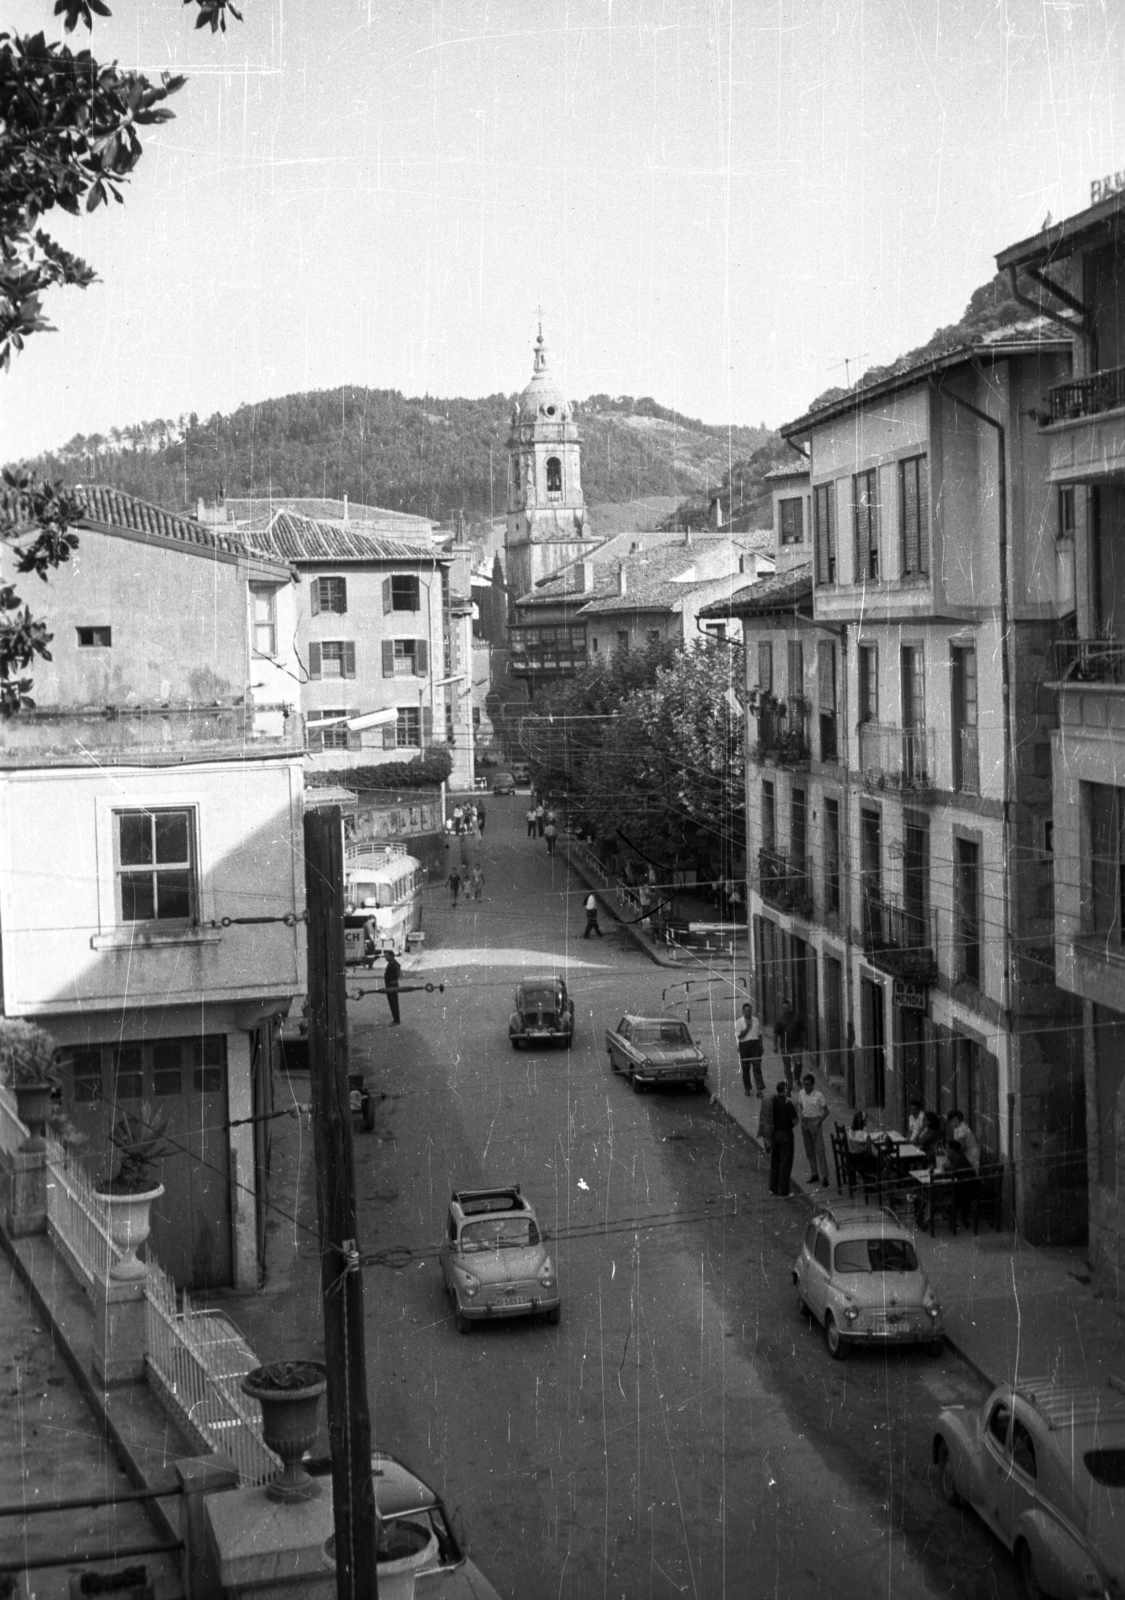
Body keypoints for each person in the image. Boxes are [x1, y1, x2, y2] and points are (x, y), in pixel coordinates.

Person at [797, 1072, 830, 1187]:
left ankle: (825, 1176)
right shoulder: (801, 1093)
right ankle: (814, 1173)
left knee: (819, 1150)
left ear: (813, 1085)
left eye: (808, 1085)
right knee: (809, 1150)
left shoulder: (819, 1095)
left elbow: (826, 1111)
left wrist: (819, 1121)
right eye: (804, 1084)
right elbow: (799, 1105)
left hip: (815, 1122)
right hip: (805, 1123)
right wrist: (800, 1114)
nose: (805, 1087)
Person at [768, 1082, 798, 1197]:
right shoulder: (788, 1104)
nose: (790, 1091)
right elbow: (795, 1121)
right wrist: (797, 1111)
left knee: (775, 1161)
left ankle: (773, 1187)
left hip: (774, 1134)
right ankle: (783, 1191)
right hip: (785, 1135)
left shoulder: (773, 1101)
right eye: (789, 1089)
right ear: (784, 1090)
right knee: (785, 1163)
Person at [735, 1002, 765, 1096]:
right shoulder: (739, 1022)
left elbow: (759, 1034)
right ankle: (747, 1088)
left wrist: (761, 1045)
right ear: (743, 1011)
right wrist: (747, 1028)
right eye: (746, 1011)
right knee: (745, 1068)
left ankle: (759, 1089)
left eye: (750, 1011)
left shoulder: (756, 1020)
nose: (748, 1013)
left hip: (755, 1045)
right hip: (744, 1046)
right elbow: (739, 1036)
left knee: (757, 1067)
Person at [776, 1003, 805, 1092]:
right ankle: (789, 1082)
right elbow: (775, 1033)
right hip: (785, 1046)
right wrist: (774, 1045)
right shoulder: (780, 1020)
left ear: (790, 1008)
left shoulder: (797, 1018)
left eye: (788, 1008)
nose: (786, 1010)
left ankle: (797, 1078)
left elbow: (802, 1030)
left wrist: (804, 1041)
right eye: (784, 1008)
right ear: (782, 1009)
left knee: (798, 1062)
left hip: (796, 1044)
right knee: (787, 1065)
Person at [383, 949, 402, 1025]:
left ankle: (396, 1020)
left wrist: (395, 979)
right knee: (391, 1002)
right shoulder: (391, 962)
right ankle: (395, 1019)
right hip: (389, 985)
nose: (385, 958)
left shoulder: (394, 963)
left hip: (392, 985)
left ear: (391, 956)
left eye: (386, 956)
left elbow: (398, 971)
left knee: (393, 1002)